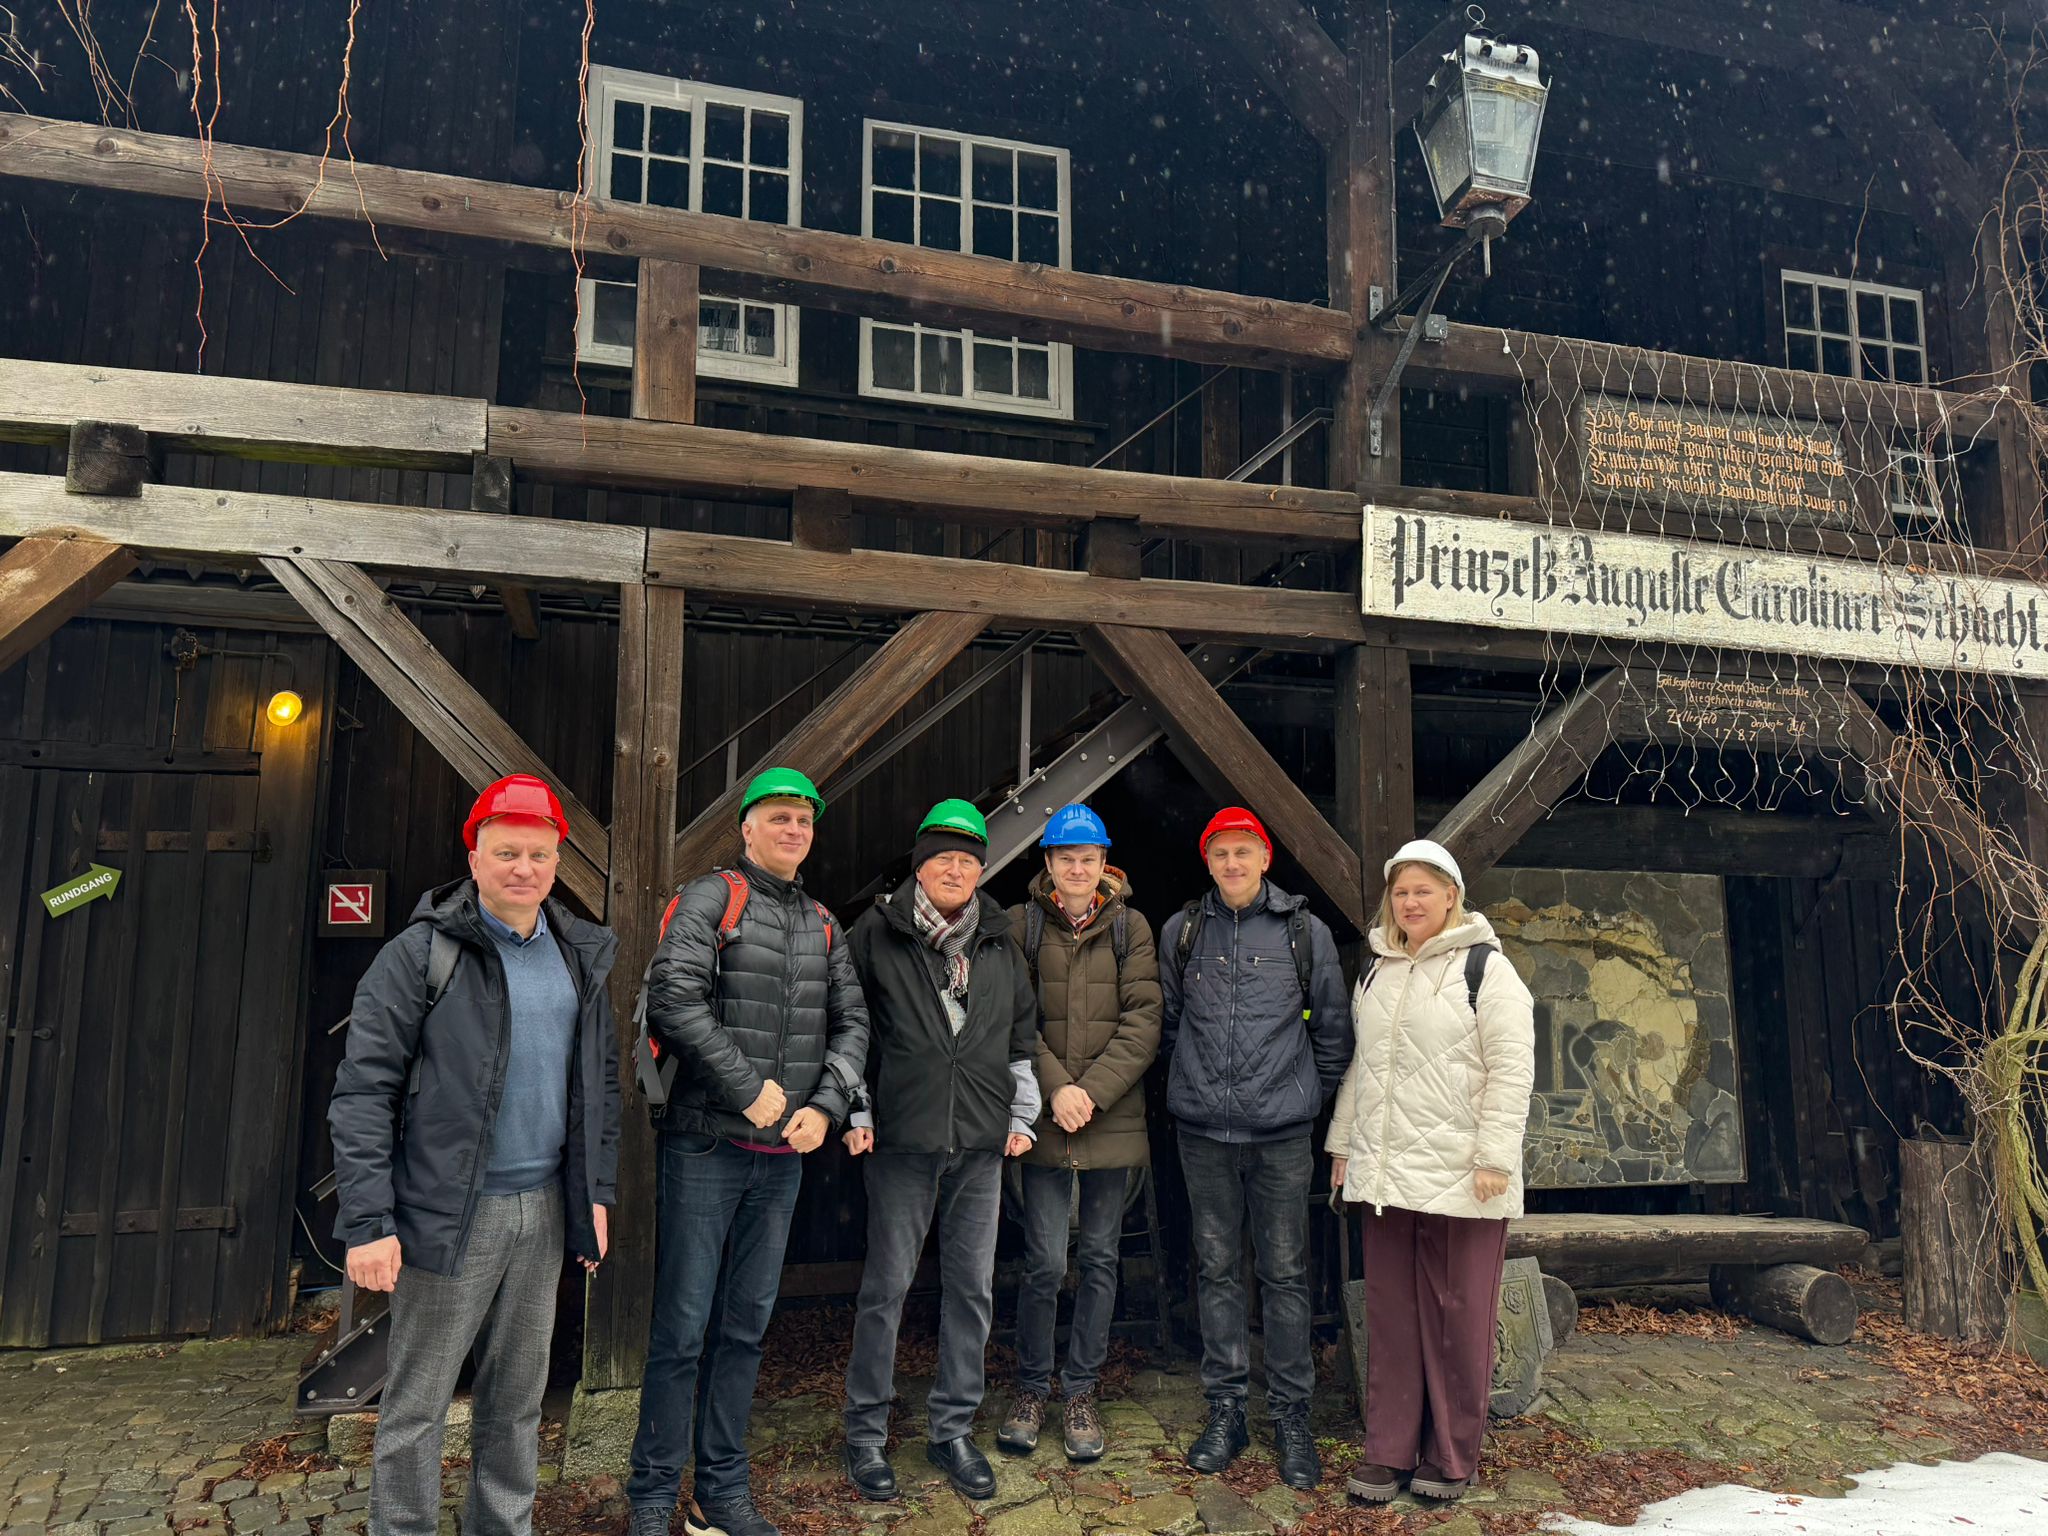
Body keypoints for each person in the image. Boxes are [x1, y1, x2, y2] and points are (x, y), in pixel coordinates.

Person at [329, 774, 620, 1536]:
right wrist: (369, 1223)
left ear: (557, 863)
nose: (524, 868)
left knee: (517, 1401)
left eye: (539, 854)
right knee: (418, 1404)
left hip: (544, 1212)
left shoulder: (578, 956)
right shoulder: (419, 955)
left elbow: (598, 1087)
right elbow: (363, 1093)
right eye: (507, 852)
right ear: (475, 858)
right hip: (449, 1213)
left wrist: (595, 1193)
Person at [627, 768, 871, 1536]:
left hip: (782, 1159)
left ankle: (720, 1493)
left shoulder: (824, 922)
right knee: (682, 1328)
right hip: (706, 1144)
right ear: (748, 827)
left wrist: (826, 1107)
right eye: (780, 817)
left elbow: (853, 1025)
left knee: (745, 1327)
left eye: (804, 820)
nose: (794, 830)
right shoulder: (712, 898)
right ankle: (651, 1496)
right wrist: (746, 1088)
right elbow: (673, 995)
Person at [840, 799, 1042, 1504]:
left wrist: (1022, 1115)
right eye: (942, 859)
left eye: (967, 861)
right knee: (886, 1289)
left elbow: (1020, 1037)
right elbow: (850, 1027)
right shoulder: (876, 933)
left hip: (981, 1143)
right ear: (919, 867)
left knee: (972, 1290)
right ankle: (865, 1433)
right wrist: (855, 1108)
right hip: (901, 1138)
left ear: (979, 870)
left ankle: (951, 1429)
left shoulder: (998, 941)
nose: (955, 871)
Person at [1327, 838, 1534, 1506]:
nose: (1410, 902)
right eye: (1401, 892)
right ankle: (1389, 1450)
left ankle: (1449, 1454)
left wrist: (1495, 1157)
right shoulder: (1376, 972)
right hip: (1387, 1173)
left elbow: (1512, 1067)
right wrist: (1343, 1146)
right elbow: (1364, 1068)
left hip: (1463, 1174)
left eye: (1423, 890)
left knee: (1457, 1318)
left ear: (1451, 896)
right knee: (1392, 1316)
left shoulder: (1486, 969)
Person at [1159, 806, 1349, 1490]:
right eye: (1221, 853)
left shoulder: (1305, 932)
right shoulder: (1183, 931)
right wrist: (1197, 1086)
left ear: (1265, 859)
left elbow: (1332, 1032)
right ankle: (1227, 1410)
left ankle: (1292, 1417)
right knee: (1216, 1271)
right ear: (1207, 862)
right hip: (1204, 1134)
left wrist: (1300, 1098)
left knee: (1286, 1274)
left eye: (1244, 851)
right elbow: (1170, 1024)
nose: (1232, 863)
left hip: (1281, 1136)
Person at [998, 804, 1161, 1463]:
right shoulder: (1023, 924)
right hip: (1044, 1115)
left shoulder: (1130, 927)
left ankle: (1081, 1391)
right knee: (1043, 1262)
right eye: (1065, 857)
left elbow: (1144, 1021)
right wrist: (1056, 1089)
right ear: (1048, 862)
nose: (1076, 868)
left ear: (1103, 863)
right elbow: (1013, 1018)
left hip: (1108, 1115)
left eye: (1087, 857)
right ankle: (1031, 1387)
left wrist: (1089, 1092)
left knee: (1099, 1258)